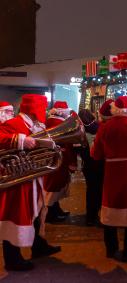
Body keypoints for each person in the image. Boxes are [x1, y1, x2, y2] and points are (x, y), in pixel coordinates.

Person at [0, 94, 61, 271]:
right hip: (16, 182)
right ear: (34, 109)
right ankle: (12, 260)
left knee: (36, 213)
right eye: (42, 108)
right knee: (15, 218)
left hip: (30, 179)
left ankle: (38, 246)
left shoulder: (33, 125)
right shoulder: (14, 124)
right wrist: (20, 140)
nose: (44, 111)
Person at [92, 96, 127, 260]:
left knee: (110, 209)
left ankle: (111, 249)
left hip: (113, 172)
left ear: (114, 109)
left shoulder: (105, 127)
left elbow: (96, 154)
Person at [43, 101, 76, 223]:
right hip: (60, 158)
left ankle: (56, 210)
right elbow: (68, 143)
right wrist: (72, 162)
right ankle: (50, 214)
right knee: (54, 187)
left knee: (52, 187)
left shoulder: (47, 122)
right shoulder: (61, 124)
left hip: (50, 158)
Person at [77, 109, 103, 226]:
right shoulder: (100, 127)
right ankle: (97, 214)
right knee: (99, 190)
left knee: (91, 190)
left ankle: (90, 217)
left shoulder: (79, 131)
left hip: (88, 165)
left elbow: (77, 149)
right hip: (100, 164)